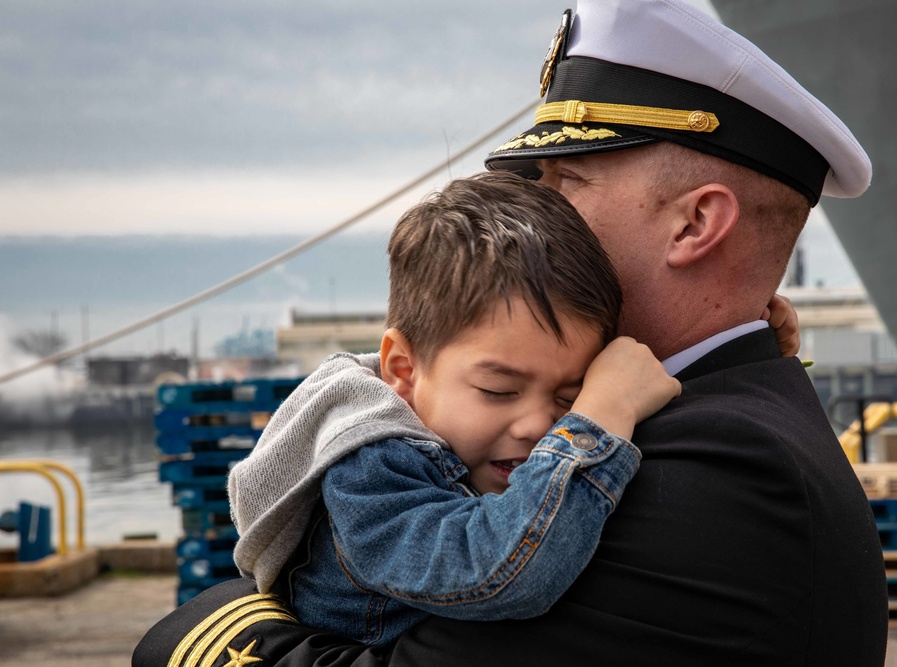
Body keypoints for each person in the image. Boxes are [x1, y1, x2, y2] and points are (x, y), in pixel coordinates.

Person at [134, 1, 888, 665]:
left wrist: (196, 628)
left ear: (694, 223)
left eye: (570, 182)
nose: (541, 211)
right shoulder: (723, 405)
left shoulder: (716, 471)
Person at [227, 171, 682, 646]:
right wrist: (597, 418)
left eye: (571, 395)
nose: (540, 426)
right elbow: (497, 574)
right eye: (499, 390)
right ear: (402, 370)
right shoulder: (370, 468)